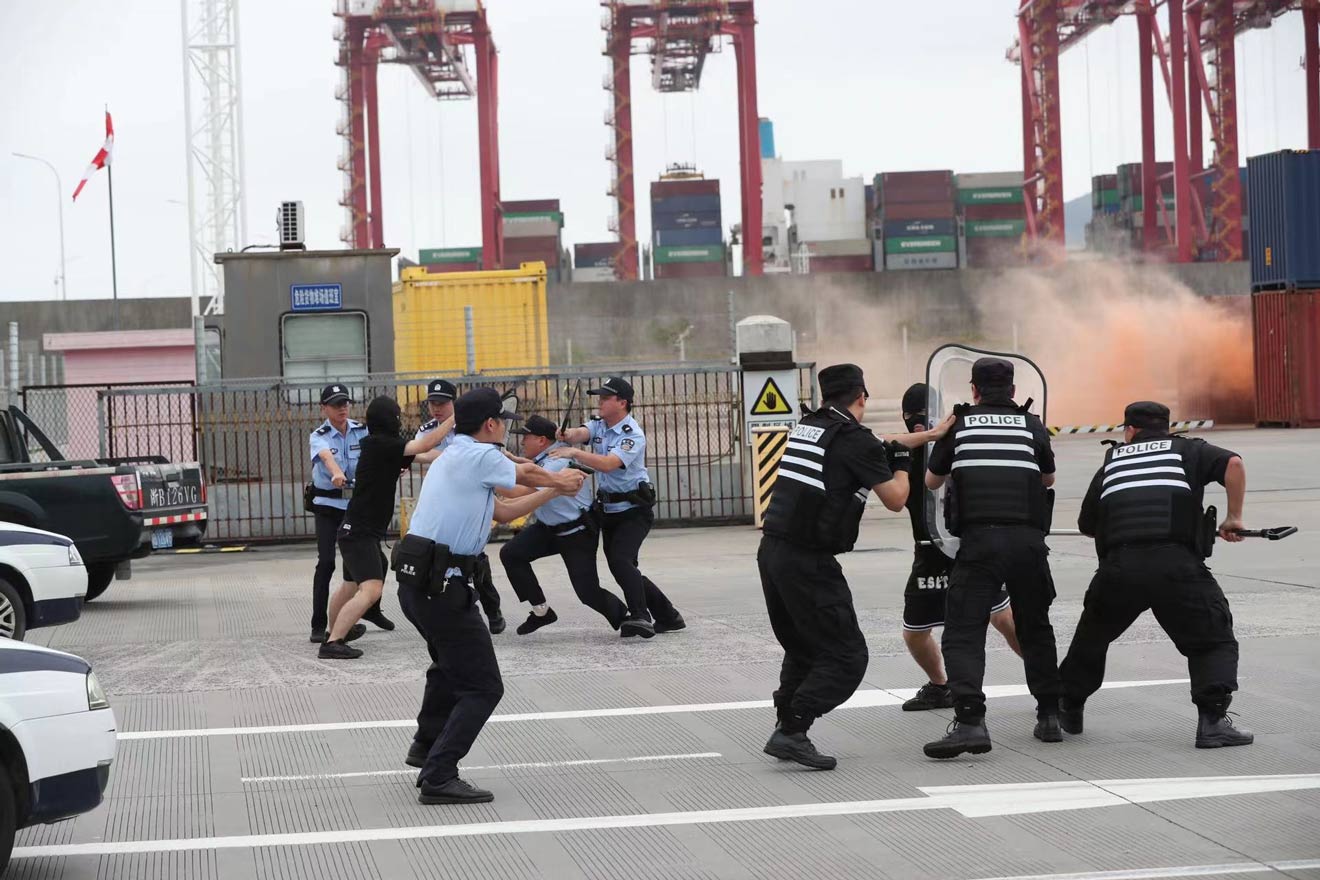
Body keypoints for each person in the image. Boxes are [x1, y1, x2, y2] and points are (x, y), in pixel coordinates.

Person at [757, 364, 950, 770]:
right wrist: (903, 463)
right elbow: (896, 498)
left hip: (773, 553)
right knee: (847, 656)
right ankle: (792, 729)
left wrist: (930, 436)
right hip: (808, 562)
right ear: (862, 396)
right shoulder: (854, 440)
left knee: (803, 648)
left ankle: (787, 724)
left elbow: (877, 443)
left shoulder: (813, 426)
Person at [402, 388, 589, 805]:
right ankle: (439, 774)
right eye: (503, 421)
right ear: (490, 423)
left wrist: (556, 490)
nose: (505, 427)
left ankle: (426, 746)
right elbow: (528, 475)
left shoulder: (458, 454)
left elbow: (503, 511)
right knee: (484, 687)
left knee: (448, 667)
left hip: (422, 585)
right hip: (443, 586)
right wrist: (559, 479)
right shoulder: (480, 455)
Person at [1058, 401, 1253, 748]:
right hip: (1177, 566)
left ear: (1130, 431)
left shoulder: (1113, 461)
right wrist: (1234, 517)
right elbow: (1234, 464)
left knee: (1092, 639)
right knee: (1212, 641)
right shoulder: (1189, 451)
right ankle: (1212, 723)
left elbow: (1087, 525)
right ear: (1166, 427)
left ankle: (1067, 708)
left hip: (1120, 568)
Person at [922, 357, 1062, 759]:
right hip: (1028, 543)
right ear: (1013, 391)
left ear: (974, 390)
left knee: (964, 633)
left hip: (979, 543)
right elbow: (1048, 478)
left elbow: (931, 481)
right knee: (1035, 628)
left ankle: (970, 723)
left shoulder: (960, 424)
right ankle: (1049, 716)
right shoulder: (1031, 425)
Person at [896, 383, 1021, 711]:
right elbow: (878, 447)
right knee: (915, 632)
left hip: (966, 547)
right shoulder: (905, 452)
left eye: (923, 415)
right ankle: (941, 686)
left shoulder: (956, 441)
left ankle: (1047, 679)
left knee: (1004, 619)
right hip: (931, 551)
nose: (917, 421)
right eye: (912, 416)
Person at [318, 396, 450, 659]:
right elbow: (426, 443)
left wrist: (457, 454)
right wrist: (456, 418)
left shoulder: (381, 445)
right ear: (389, 419)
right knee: (371, 588)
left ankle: (333, 631)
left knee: (350, 586)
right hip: (360, 533)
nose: (400, 420)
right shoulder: (381, 443)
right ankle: (333, 642)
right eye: (397, 416)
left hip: (356, 530)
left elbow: (426, 453)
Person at [552, 377, 683, 639]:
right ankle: (668, 616)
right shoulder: (600, 425)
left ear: (622, 403)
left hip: (634, 511)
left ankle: (641, 617)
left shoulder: (631, 434)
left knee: (621, 562)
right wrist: (566, 435)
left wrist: (574, 452)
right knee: (622, 565)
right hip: (609, 510)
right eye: (599, 397)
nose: (600, 401)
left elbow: (609, 464)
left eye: (605, 397)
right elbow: (580, 433)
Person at [499, 414, 629, 634]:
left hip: (576, 533)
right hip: (548, 529)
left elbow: (519, 491)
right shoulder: (548, 455)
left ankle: (625, 618)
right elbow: (532, 466)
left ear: (541, 440)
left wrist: (483, 480)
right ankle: (541, 611)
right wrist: (510, 459)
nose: (522, 442)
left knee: (587, 592)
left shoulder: (558, 462)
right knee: (511, 554)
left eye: (526, 437)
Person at [412, 378, 506, 635]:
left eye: (442, 403)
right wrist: (448, 457)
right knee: (444, 556)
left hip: (474, 494)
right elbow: (417, 452)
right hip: (447, 500)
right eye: (433, 403)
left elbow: (493, 454)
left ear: (454, 403)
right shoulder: (429, 431)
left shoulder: (472, 424)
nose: (437, 408)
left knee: (476, 558)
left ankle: (492, 609)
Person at [307, 383, 392, 643]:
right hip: (327, 505)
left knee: (376, 563)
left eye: (345, 403)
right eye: (335, 405)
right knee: (326, 563)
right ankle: (319, 624)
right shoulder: (319, 436)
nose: (342, 408)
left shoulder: (362, 431)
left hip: (353, 508)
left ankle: (369, 610)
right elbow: (326, 458)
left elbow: (377, 453)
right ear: (324, 408)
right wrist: (336, 473)